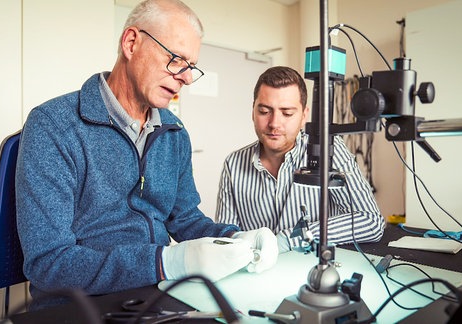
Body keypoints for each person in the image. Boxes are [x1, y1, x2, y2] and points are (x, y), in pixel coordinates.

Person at [15, 0, 277, 310]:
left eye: (191, 67)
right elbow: (49, 263)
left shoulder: (174, 131)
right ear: (131, 43)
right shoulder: (54, 126)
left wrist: (236, 238)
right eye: (177, 59)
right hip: (80, 304)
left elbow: (186, 220)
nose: (187, 78)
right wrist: (165, 261)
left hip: (158, 291)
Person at [215, 66, 385, 253]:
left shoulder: (330, 150)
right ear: (253, 111)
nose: (274, 123)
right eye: (264, 111)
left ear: (304, 115)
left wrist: (291, 239)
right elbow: (225, 237)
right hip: (256, 271)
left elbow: (371, 221)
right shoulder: (233, 164)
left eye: (287, 113)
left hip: (311, 272)